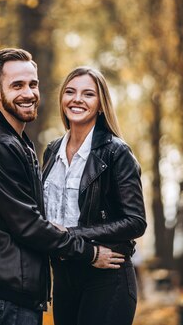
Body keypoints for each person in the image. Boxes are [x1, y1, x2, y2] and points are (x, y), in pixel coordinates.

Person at [0, 49, 121, 325]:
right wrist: (89, 252)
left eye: (32, 84)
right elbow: (28, 224)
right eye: (17, 85)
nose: (28, 93)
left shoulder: (18, 142)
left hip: (19, 285)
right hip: (11, 288)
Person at [42, 66, 147, 325]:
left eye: (88, 94)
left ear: (100, 105)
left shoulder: (116, 152)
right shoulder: (51, 151)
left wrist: (72, 233)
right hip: (64, 277)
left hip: (107, 279)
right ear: (62, 99)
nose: (77, 99)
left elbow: (136, 221)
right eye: (70, 92)